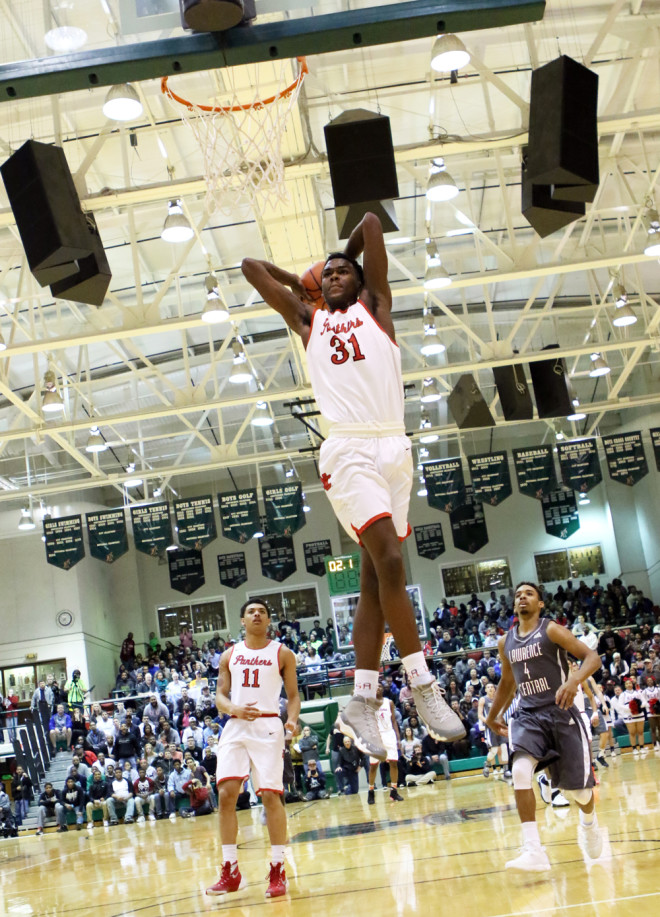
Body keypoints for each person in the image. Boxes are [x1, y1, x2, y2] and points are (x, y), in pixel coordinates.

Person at [241, 214, 465, 759]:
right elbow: (250, 268)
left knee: (372, 579)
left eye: (345, 272)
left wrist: (348, 258)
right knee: (390, 561)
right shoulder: (308, 319)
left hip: (394, 447)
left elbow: (369, 223)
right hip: (348, 449)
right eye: (330, 274)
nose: (336, 276)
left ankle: (361, 699)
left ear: (362, 282)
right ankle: (420, 683)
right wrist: (304, 281)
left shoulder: (378, 308)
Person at [485, 582, 603, 872]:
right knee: (520, 770)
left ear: (540, 604)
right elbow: (508, 683)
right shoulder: (505, 642)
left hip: (562, 714)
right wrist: (492, 715)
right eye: (518, 595)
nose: (522, 597)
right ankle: (533, 849)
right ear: (514, 605)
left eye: (529, 594)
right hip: (529, 715)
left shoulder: (551, 630)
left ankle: (589, 821)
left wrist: (574, 680)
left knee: (578, 793)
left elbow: (593, 658)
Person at [205, 600, 300, 900]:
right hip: (235, 725)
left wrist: (292, 721)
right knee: (225, 795)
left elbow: (294, 696)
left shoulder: (283, 653)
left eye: (261, 611)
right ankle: (230, 870)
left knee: (271, 795)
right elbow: (220, 696)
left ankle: (277, 868)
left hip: (268, 725)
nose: (256, 614)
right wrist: (233, 707)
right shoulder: (229, 655)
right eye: (250, 611)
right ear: (242, 621)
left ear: (269, 620)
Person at [367, 685, 403, 804]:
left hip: (389, 734)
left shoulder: (389, 702)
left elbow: (393, 721)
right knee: (373, 765)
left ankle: (394, 791)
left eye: (380, 686)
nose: (377, 688)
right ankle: (371, 791)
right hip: (376, 736)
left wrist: (398, 738)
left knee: (393, 762)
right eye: (375, 686)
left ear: (383, 689)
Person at [478, 683, 511, 780]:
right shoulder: (483, 699)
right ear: (485, 690)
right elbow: (480, 715)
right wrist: (489, 722)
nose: (490, 688)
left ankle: (506, 770)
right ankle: (487, 764)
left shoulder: (498, 699)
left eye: (492, 687)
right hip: (490, 728)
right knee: (494, 750)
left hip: (500, 726)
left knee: (504, 747)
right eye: (488, 687)